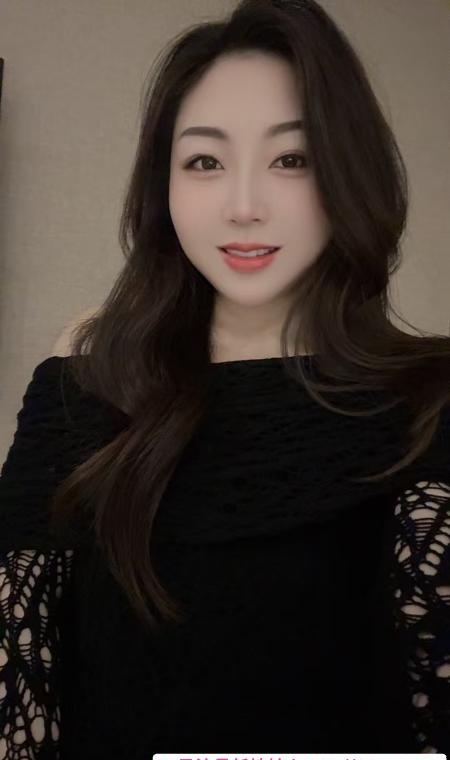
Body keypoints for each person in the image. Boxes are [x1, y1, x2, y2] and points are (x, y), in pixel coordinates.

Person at [1, 0, 449, 757]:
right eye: (205, 161)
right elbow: (21, 686)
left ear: (349, 172)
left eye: (292, 159)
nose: (244, 207)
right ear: (164, 186)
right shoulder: (80, 393)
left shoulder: (431, 398)